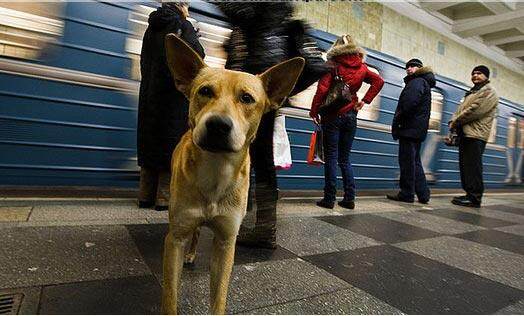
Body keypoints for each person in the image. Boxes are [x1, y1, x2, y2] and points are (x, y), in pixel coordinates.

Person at [217, 3, 328, 248]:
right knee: (254, 157)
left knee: (249, 156)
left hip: (246, 96)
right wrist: (277, 95)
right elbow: (317, 65)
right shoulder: (282, 22)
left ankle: (256, 225)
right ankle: (256, 223)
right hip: (256, 97)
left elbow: (317, 66)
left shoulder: (249, 17)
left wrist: (275, 94)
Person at [137, 2, 204, 211]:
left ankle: (145, 197)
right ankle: (163, 199)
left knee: (149, 144)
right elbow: (197, 55)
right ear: (182, 6)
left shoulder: (151, 26)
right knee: (169, 144)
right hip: (172, 97)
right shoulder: (183, 25)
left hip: (149, 94)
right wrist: (193, 31)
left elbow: (144, 60)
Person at [310, 35, 384, 210]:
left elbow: (322, 90)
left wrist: (314, 111)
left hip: (333, 117)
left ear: (336, 47)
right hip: (351, 116)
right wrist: (365, 100)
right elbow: (379, 81)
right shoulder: (362, 67)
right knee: (345, 159)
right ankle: (349, 198)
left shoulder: (333, 65)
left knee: (331, 158)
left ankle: (329, 199)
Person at [387, 58, 435, 204]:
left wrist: (400, 120)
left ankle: (407, 193)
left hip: (409, 129)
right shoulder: (423, 82)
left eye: (413, 66)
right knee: (415, 162)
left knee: (407, 162)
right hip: (416, 130)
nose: (409, 69)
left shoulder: (417, 82)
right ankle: (423, 194)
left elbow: (408, 104)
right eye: (407, 67)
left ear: (420, 68)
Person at [449, 65, 499, 208]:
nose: (475, 76)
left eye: (479, 74)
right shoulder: (472, 92)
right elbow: (461, 110)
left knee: (473, 167)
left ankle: (475, 197)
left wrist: (455, 121)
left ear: (486, 76)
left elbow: (475, 110)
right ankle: (468, 194)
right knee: (465, 167)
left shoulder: (489, 91)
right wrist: (454, 121)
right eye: (474, 73)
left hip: (476, 134)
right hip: (466, 134)